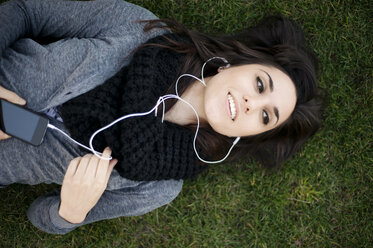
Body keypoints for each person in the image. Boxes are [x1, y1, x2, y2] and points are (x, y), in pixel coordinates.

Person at [0, 0, 321, 234]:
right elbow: (27, 11)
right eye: (260, 83)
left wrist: (70, 211)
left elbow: (40, 216)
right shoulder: (141, 31)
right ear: (231, 63)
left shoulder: (158, 187)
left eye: (266, 116)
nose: (253, 104)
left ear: (250, 135)